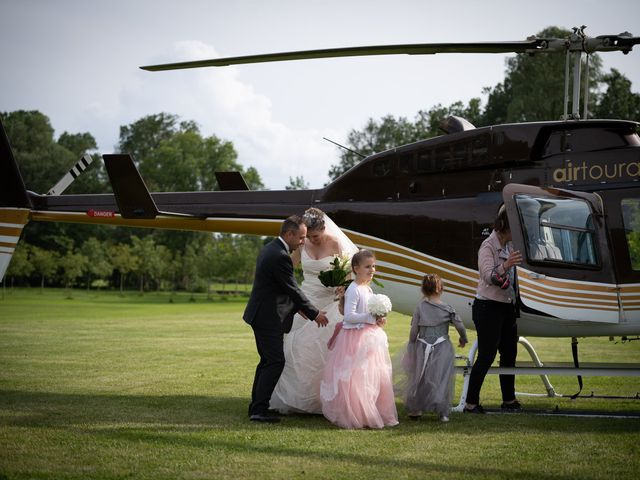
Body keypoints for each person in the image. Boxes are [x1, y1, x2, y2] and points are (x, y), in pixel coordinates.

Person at [270, 207, 358, 414]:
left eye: (315, 236)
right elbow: (287, 268)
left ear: (324, 228)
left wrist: (342, 287)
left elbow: (348, 273)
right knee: (295, 347)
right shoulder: (302, 244)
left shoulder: (337, 244)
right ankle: (297, 400)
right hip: (305, 300)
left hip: (330, 303)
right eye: (308, 236)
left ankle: (324, 401)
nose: (312, 239)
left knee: (326, 351)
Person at [243, 215, 329, 423]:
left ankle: (257, 407)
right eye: (300, 238)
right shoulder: (280, 255)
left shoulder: (270, 248)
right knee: (275, 361)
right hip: (267, 317)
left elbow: (282, 289)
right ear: (289, 234)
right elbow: (291, 288)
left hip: (262, 314)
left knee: (267, 361)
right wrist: (313, 313)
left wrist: (299, 309)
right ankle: (259, 410)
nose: (303, 242)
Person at [320, 250, 399, 429]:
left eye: (373, 266)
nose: (372, 270)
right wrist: (370, 318)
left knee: (373, 376)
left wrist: (379, 319)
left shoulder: (367, 288)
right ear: (356, 269)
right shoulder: (354, 289)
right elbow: (349, 316)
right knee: (356, 377)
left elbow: (367, 311)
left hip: (370, 337)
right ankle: (356, 413)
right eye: (367, 267)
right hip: (355, 338)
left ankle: (370, 410)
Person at [464, 206, 523, 414]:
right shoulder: (487, 246)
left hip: (507, 307)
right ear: (507, 225)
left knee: (509, 354)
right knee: (487, 355)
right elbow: (488, 276)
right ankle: (471, 403)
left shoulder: (512, 244)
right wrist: (506, 265)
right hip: (487, 307)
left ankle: (509, 400)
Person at [397, 273, 468, 423]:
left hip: (422, 346)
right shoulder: (447, 308)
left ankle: (416, 409)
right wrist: (463, 338)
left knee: (419, 377)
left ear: (423, 290)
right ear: (441, 288)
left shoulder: (420, 307)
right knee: (441, 377)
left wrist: (411, 344)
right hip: (442, 347)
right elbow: (460, 325)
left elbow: (414, 330)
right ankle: (442, 412)